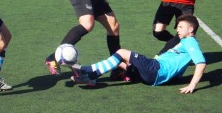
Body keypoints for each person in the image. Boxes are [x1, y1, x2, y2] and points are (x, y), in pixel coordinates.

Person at [71, 14, 206, 94]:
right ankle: (85, 71)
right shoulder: (185, 42)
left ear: (191, 29)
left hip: (156, 70)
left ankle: (89, 74)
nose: (177, 29)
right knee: (121, 62)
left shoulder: (190, 42)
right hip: (153, 75)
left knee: (121, 52)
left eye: (181, 27)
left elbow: (201, 63)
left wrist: (192, 85)